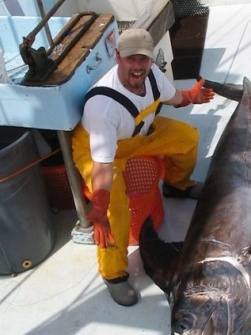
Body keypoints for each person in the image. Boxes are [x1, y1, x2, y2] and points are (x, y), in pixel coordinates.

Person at [72, 28, 214, 307]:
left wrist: (193, 97)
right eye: (130, 59)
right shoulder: (102, 106)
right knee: (115, 205)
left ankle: (176, 185)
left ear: (150, 60)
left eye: (143, 59)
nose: (137, 66)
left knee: (188, 138)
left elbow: (175, 97)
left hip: (137, 136)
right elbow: (102, 166)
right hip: (97, 150)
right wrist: (98, 210)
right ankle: (113, 273)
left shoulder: (153, 77)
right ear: (118, 57)